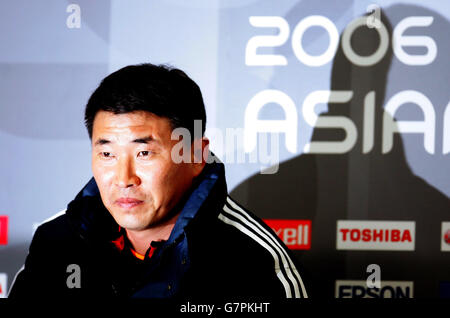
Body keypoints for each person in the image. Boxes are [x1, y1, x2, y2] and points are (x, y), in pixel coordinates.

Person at [8, 63, 307, 299]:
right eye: (108, 153)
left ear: (195, 156)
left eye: (144, 152)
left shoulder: (253, 263)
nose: (124, 179)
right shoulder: (56, 242)